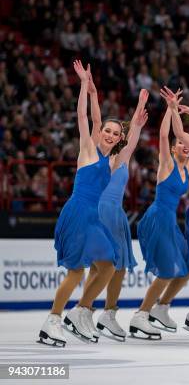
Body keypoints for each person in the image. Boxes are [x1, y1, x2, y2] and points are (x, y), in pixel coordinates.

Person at [38, 61, 127, 346]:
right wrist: (87, 89)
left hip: (93, 219)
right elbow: (85, 117)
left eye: (115, 132)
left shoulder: (111, 161)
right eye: (107, 130)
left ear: (119, 138)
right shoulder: (88, 149)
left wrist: (94, 94)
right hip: (77, 212)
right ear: (101, 134)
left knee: (109, 265)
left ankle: (80, 312)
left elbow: (103, 122)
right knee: (76, 271)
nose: (109, 134)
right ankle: (52, 320)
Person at [128, 87, 189, 340]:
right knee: (166, 271)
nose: (184, 145)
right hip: (158, 217)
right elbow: (165, 136)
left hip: (171, 221)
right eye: (181, 143)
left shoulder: (187, 168)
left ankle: (162, 307)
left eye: (186, 143)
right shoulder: (167, 163)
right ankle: (140, 315)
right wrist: (170, 109)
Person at [94, 87, 149, 341]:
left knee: (116, 268)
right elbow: (93, 121)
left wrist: (139, 105)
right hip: (100, 211)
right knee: (104, 267)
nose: (116, 137)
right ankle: (87, 310)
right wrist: (91, 91)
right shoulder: (97, 152)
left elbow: (136, 130)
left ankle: (106, 312)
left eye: (119, 134)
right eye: (112, 132)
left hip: (115, 213)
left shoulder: (124, 155)